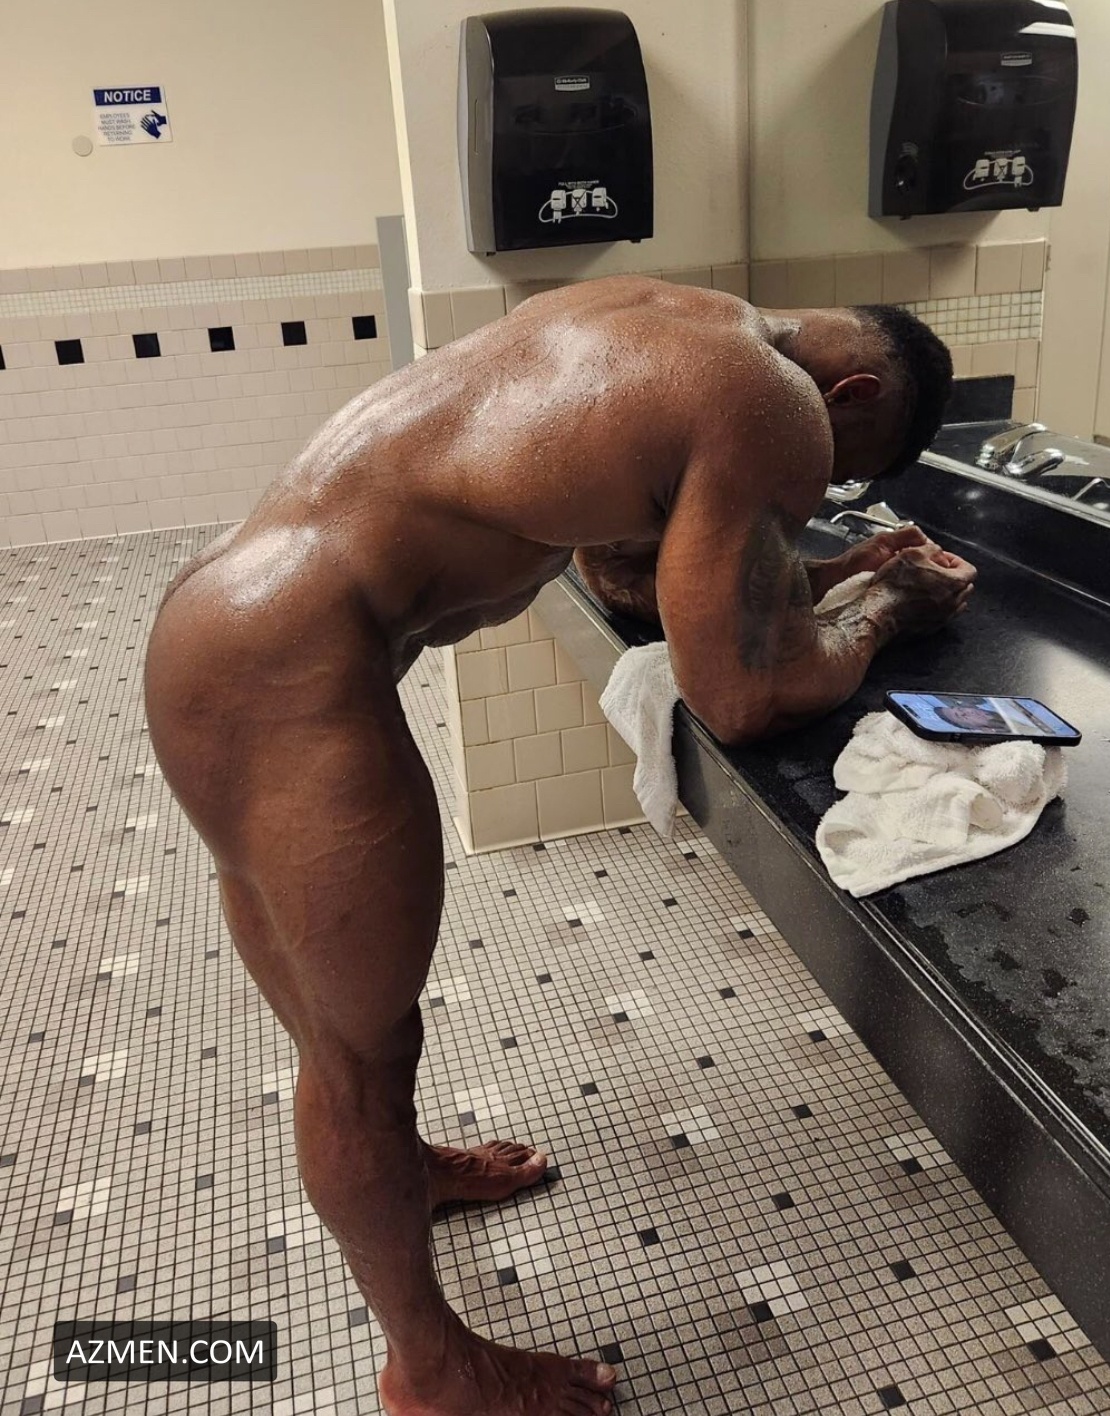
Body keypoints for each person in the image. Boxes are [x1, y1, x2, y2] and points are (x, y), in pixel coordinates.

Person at [143, 275, 976, 1416]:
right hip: (275, 668)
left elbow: (625, 573)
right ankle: (430, 1372)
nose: (822, 489)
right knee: (357, 1055)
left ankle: (407, 1171)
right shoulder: (777, 404)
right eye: (843, 472)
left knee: (348, 1027)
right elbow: (737, 697)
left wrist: (836, 574)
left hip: (229, 619)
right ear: (854, 391)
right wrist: (889, 612)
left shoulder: (672, 321)